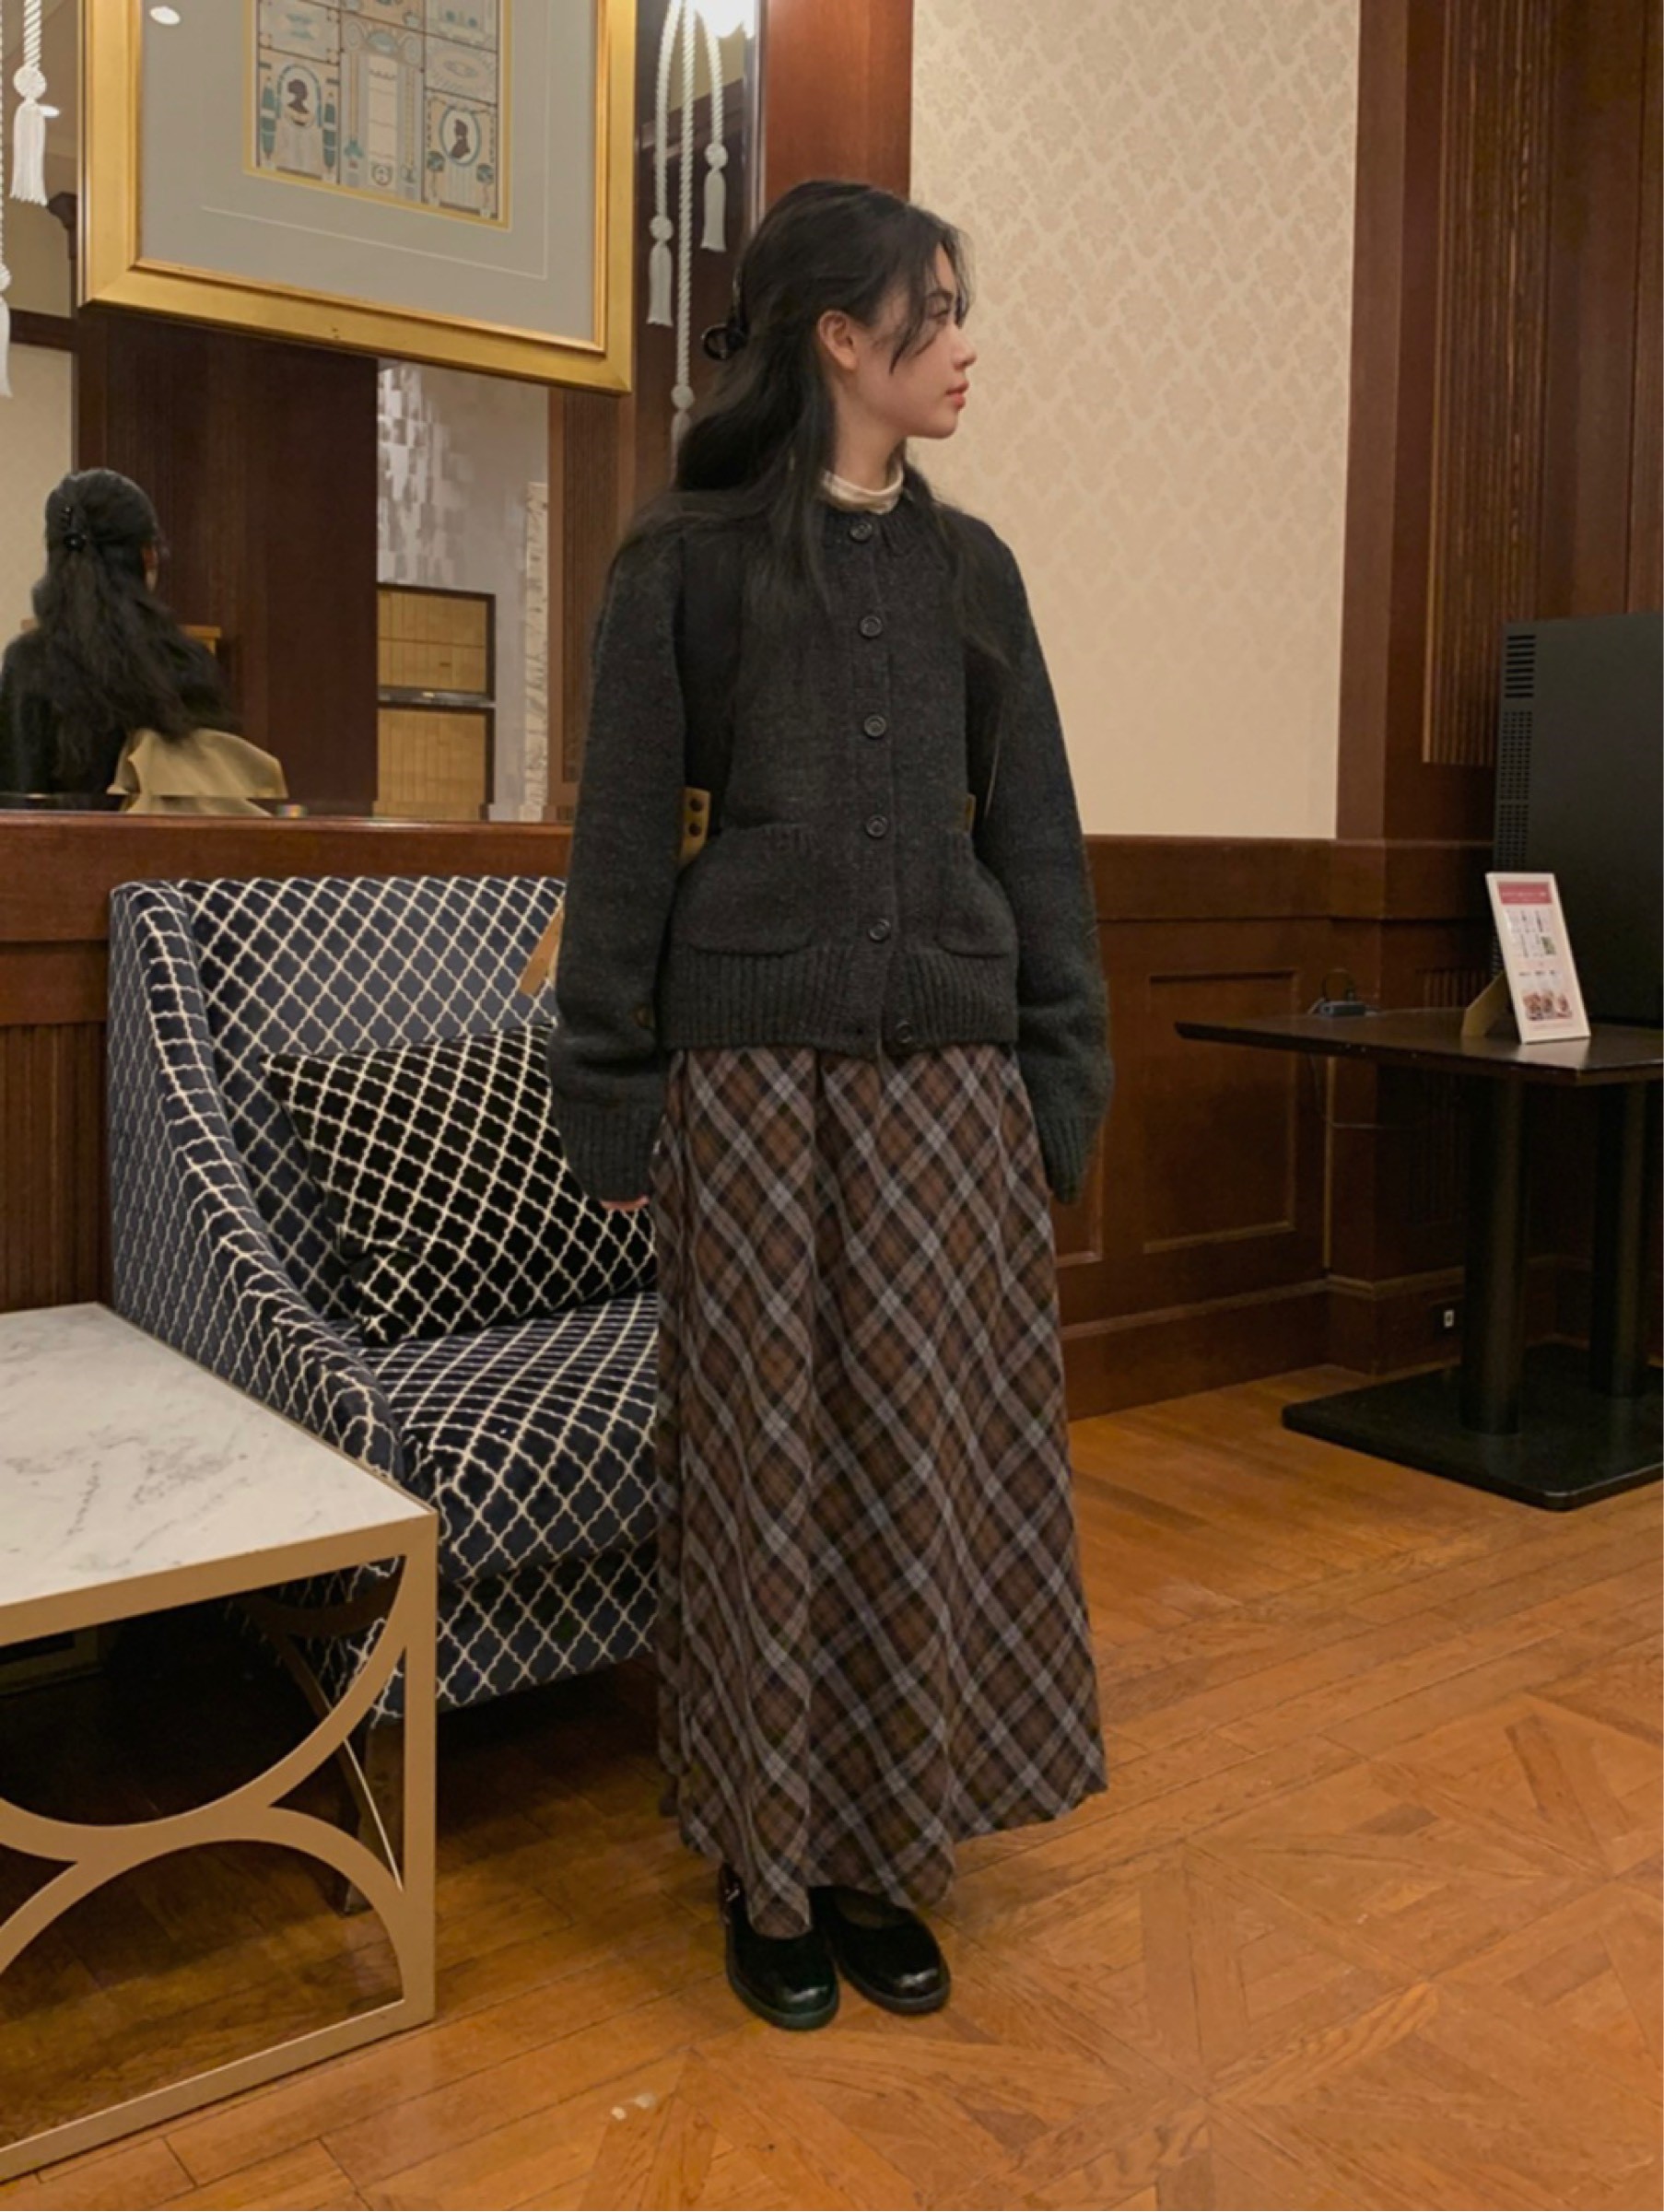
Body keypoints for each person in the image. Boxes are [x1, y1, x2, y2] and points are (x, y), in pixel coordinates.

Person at [545, 179, 1113, 2032]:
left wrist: (1062, 1081)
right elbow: (621, 850)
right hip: (752, 1094)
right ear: (841, 339)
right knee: (764, 1476)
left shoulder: (977, 574)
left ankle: (882, 1853)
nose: (964, 347)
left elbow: (1040, 843)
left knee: (920, 1475)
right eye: (932, 312)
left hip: (951, 1088)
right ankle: (766, 1866)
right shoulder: (684, 560)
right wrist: (612, 1097)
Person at [0, 469, 234, 805]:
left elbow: (19, 802)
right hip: (168, 839)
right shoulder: (188, 660)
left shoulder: (29, 663)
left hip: (61, 839)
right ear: (147, 555)